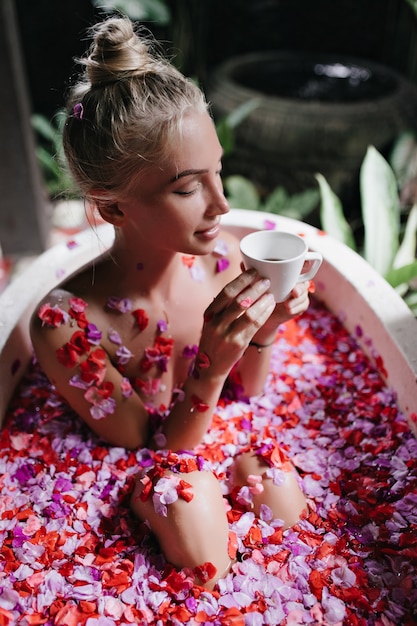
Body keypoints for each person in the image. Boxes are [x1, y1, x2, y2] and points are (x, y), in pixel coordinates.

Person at [30, 16, 310, 589]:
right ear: (112, 208)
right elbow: (142, 441)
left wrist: (265, 328)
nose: (221, 204)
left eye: (219, 172)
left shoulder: (222, 258)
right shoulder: (65, 324)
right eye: (187, 188)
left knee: (284, 505)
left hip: (213, 433)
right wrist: (211, 360)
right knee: (197, 533)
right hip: (136, 467)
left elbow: (249, 392)